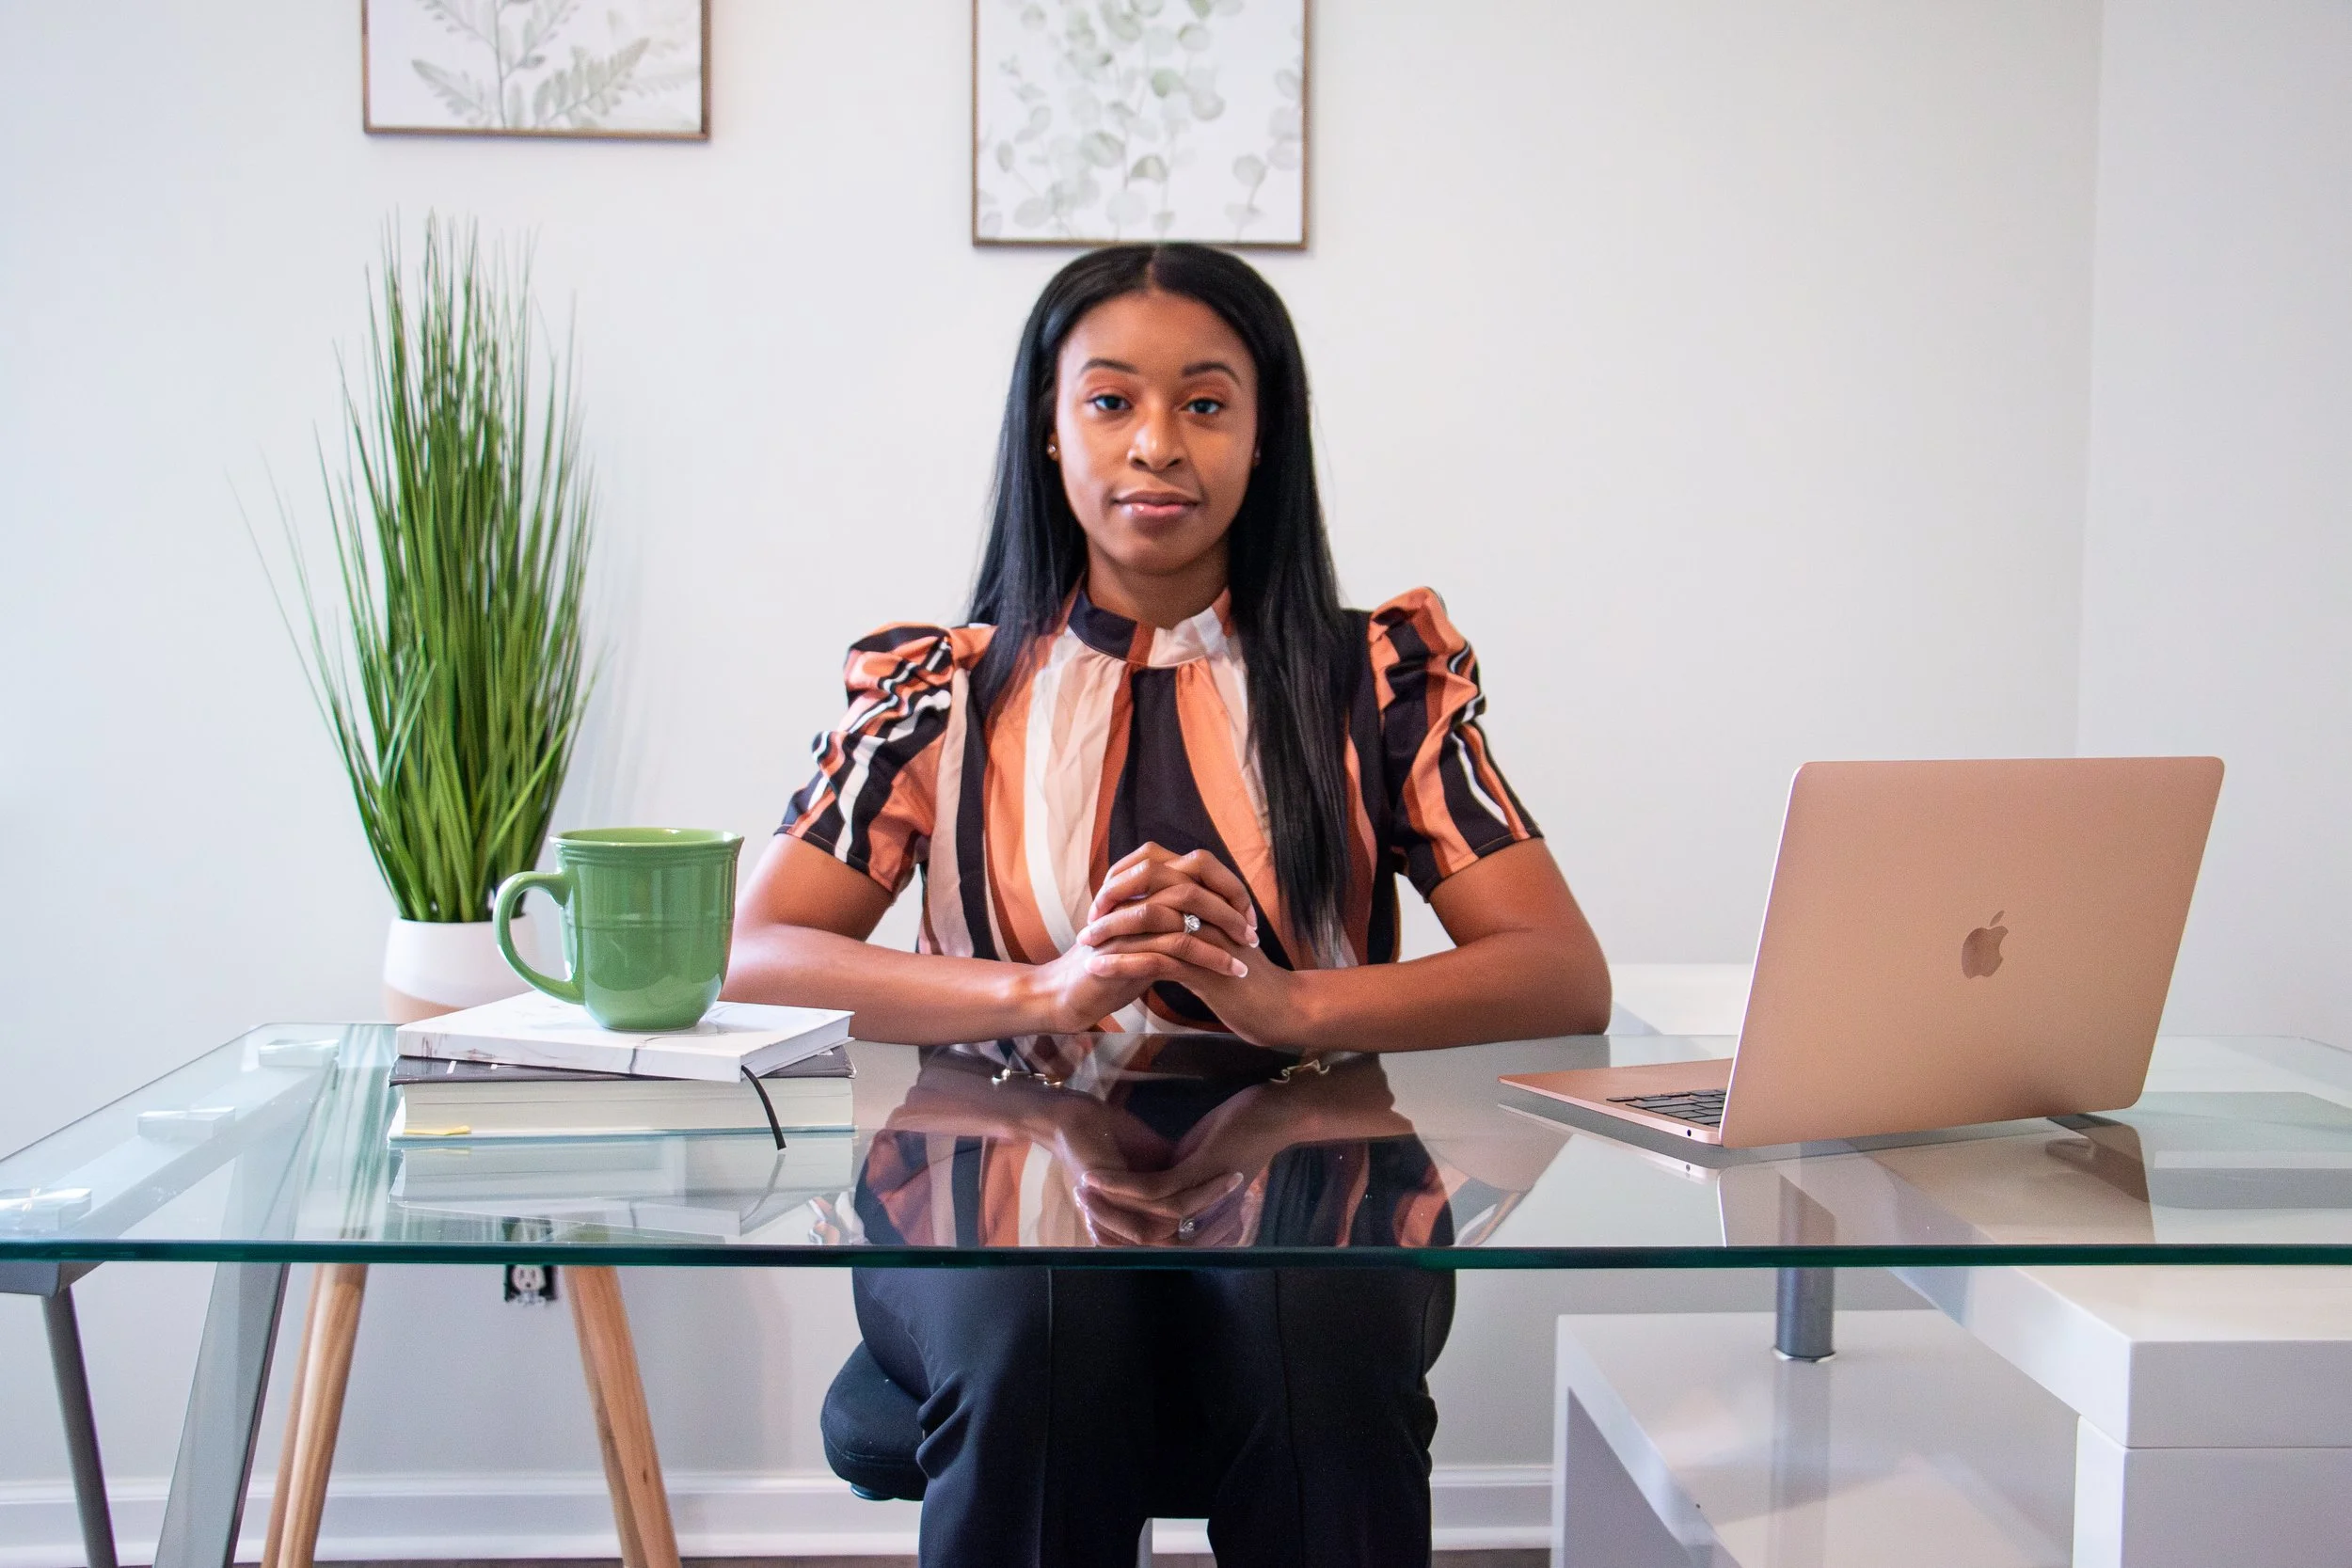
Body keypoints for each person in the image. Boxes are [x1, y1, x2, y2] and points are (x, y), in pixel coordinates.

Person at [725, 243, 1610, 1567]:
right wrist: (1043, 991)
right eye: (1110, 401)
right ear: (1049, 429)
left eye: (1204, 402)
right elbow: (758, 956)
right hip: (987, 1167)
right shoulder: (936, 691)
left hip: (1313, 1166)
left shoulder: (1375, 680)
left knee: (1312, 1321)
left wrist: (1292, 1007)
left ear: (1263, 436)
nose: (1156, 444)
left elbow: (1559, 970)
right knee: (1038, 1321)